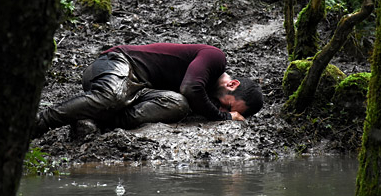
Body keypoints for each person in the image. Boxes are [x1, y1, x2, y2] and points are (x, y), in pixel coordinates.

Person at [33, 43, 263, 138]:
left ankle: (96, 121)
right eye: (228, 104)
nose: (221, 108)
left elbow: (185, 97)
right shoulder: (215, 57)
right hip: (119, 64)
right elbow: (190, 88)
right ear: (233, 84)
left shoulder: (204, 94)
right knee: (113, 95)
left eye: (225, 109)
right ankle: (39, 123)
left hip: (141, 92)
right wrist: (224, 116)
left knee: (177, 104)